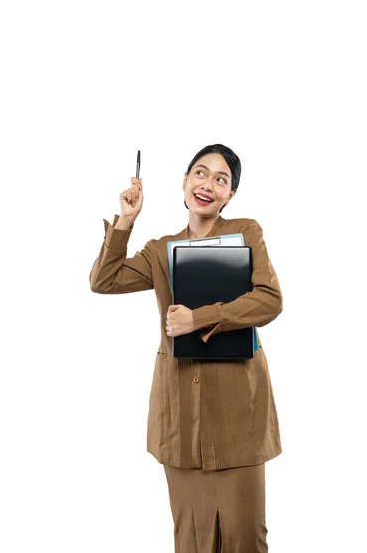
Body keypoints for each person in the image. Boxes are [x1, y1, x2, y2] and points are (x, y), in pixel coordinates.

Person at [89, 144, 283, 552]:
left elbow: (269, 299)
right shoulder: (161, 250)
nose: (208, 184)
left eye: (221, 179)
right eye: (200, 172)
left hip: (238, 416)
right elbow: (104, 280)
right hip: (180, 420)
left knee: (245, 539)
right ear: (184, 181)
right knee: (191, 542)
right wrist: (126, 221)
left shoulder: (245, 232)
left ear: (230, 194)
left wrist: (198, 317)